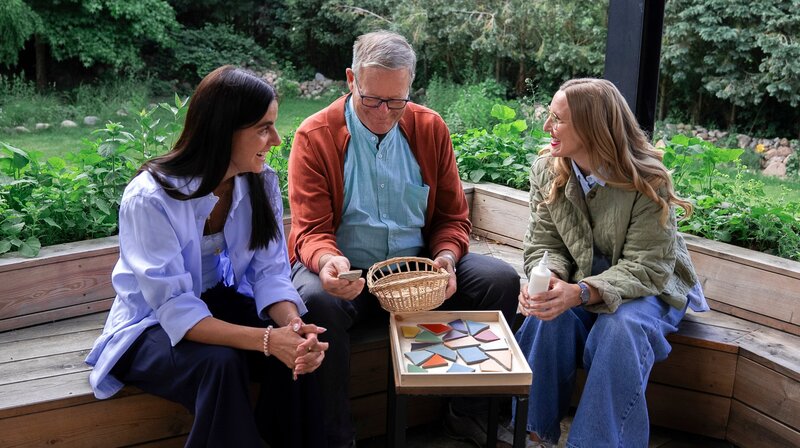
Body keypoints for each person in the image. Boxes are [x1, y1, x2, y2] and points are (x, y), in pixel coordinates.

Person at [287, 30, 520, 447]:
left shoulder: (429, 128)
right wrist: (327, 262)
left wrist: (446, 257)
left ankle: (467, 415)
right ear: (350, 80)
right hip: (348, 272)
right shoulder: (314, 135)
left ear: (409, 87)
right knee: (316, 302)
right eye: (372, 100)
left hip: (419, 270)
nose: (383, 113)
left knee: (500, 281)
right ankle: (335, 438)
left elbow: (452, 217)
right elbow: (310, 230)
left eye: (397, 102)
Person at [85, 65, 328, 448]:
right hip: (148, 327)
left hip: (213, 305)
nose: (278, 140)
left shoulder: (260, 181)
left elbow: (270, 273)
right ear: (223, 129)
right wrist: (268, 339)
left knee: (296, 350)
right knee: (221, 364)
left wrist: (293, 328)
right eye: (264, 128)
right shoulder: (150, 197)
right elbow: (176, 309)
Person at [514, 78, 709, 447]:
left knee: (617, 330)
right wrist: (548, 279)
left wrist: (583, 291)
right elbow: (545, 242)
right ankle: (533, 434)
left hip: (650, 288)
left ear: (591, 127)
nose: (546, 127)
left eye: (558, 119)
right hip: (583, 279)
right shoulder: (548, 169)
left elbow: (648, 267)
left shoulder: (646, 179)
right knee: (545, 317)